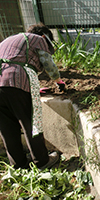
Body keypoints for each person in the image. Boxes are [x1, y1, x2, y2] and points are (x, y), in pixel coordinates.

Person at [0, 23, 66, 169]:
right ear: (44, 36)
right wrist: (58, 81)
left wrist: (32, 88)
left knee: (7, 128)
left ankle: (18, 164)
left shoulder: (10, 40)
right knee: (31, 123)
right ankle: (42, 161)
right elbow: (48, 63)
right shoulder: (38, 39)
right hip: (16, 80)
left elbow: (13, 62)